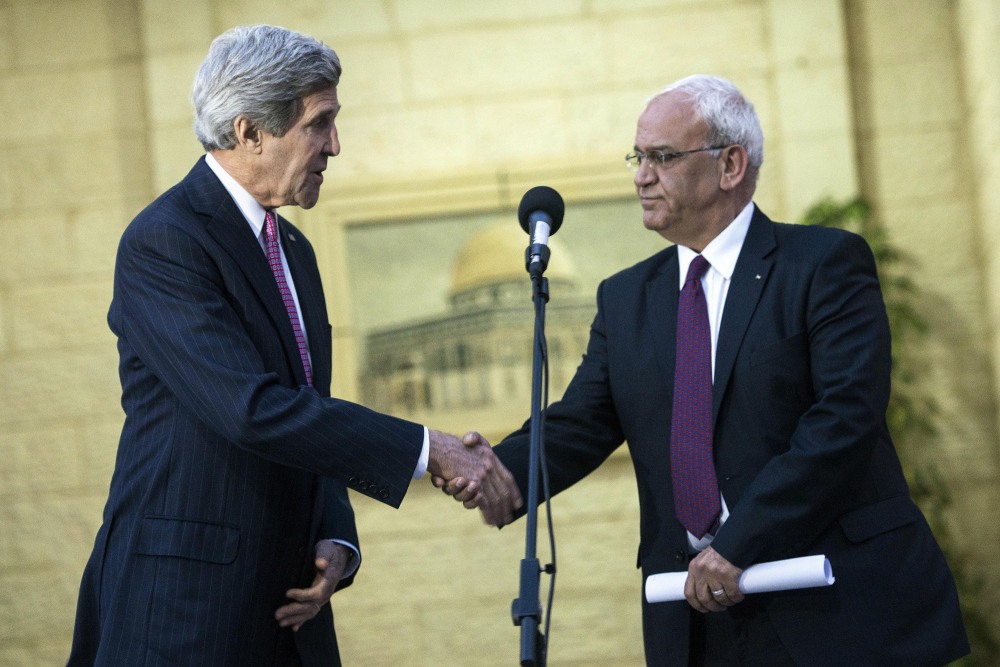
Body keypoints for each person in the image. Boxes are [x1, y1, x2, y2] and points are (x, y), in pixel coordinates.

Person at [439, 75, 969, 666]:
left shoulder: (823, 264)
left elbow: (844, 420)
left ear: (731, 164)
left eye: (662, 157)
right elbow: (581, 421)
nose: (641, 175)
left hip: (830, 604)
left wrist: (739, 543)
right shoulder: (627, 298)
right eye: (638, 157)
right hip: (695, 621)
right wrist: (496, 471)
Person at [68, 24, 520, 667]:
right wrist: (430, 450)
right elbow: (251, 409)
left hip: (288, 607)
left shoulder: (295, 251)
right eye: (320, 123)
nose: (335, 145)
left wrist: (333, 530)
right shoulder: (164, 243)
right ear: (250, 131)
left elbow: (306, 407)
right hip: (182, 609)